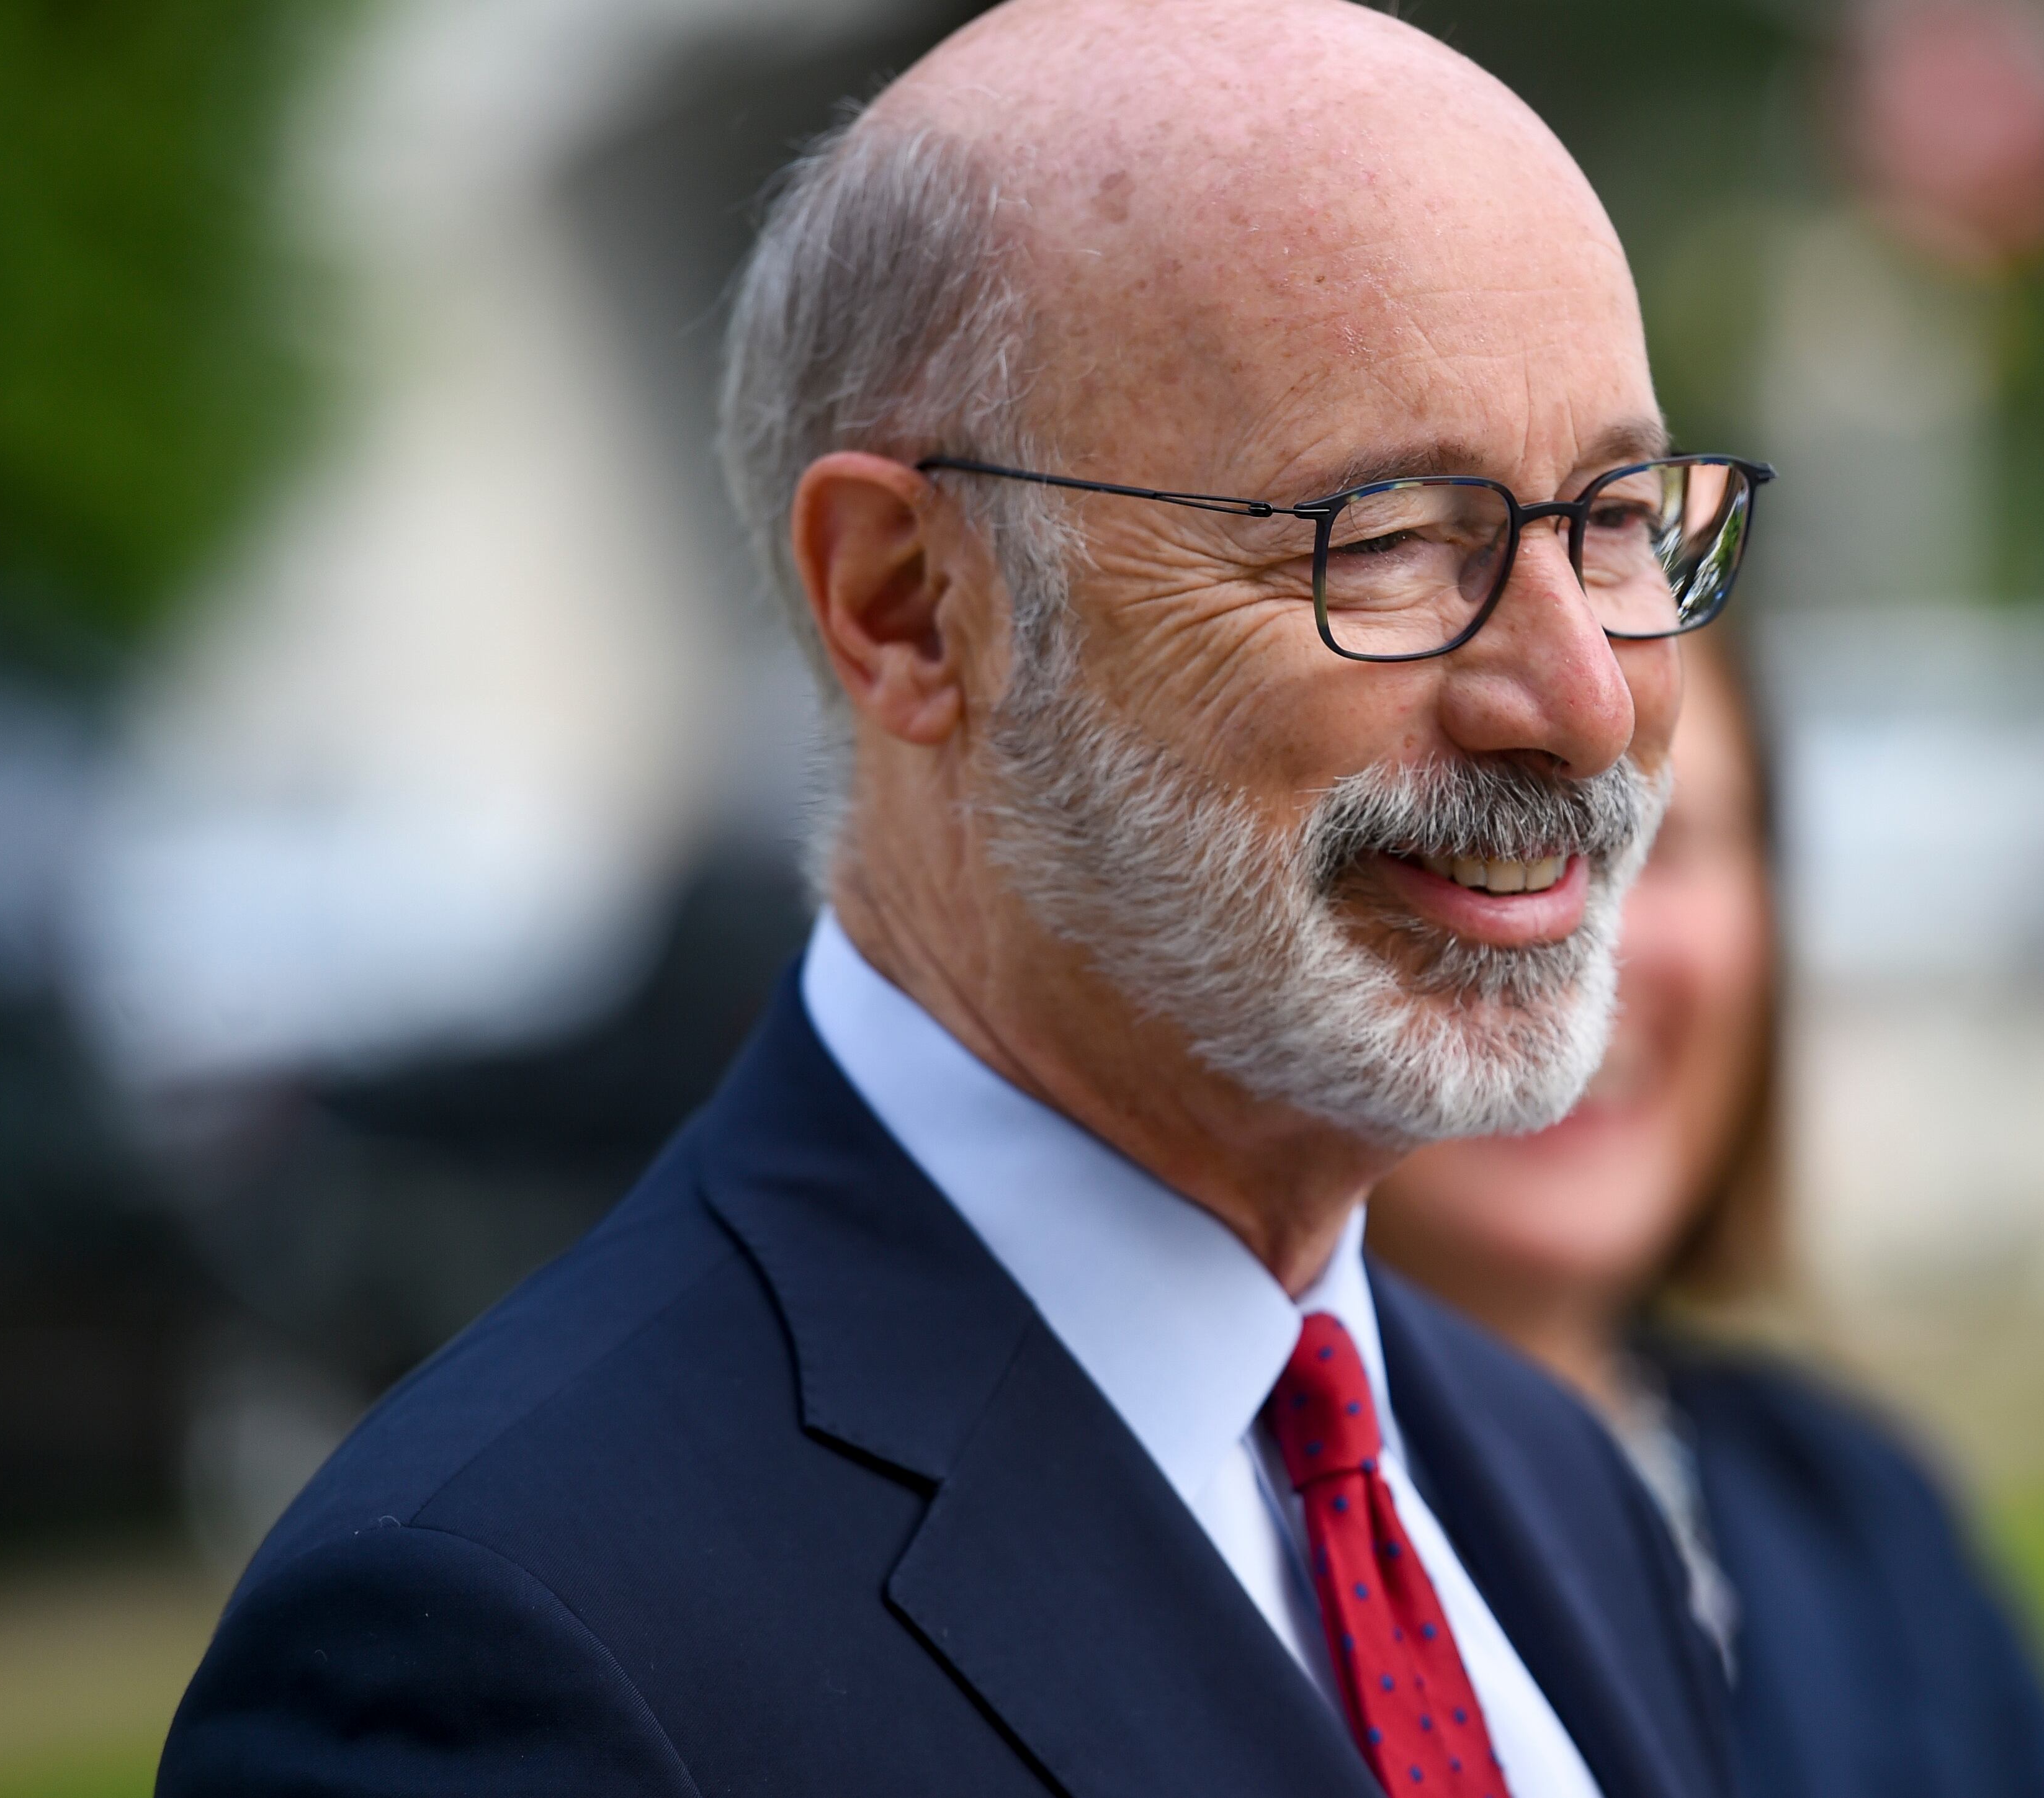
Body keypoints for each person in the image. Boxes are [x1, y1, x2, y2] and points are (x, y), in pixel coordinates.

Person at [157, 3, 1770, 1795]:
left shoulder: (1551, 1491)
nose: (1584, 697)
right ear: (908, 607)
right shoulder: (500, 1641)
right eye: (1386, 537)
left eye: (1618, 517)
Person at [1371, 635, 2044, 1798]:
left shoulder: (1854, 1517)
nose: (1589, 950)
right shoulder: (1206, 1544)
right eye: (1483, 844)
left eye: (1652, 839)